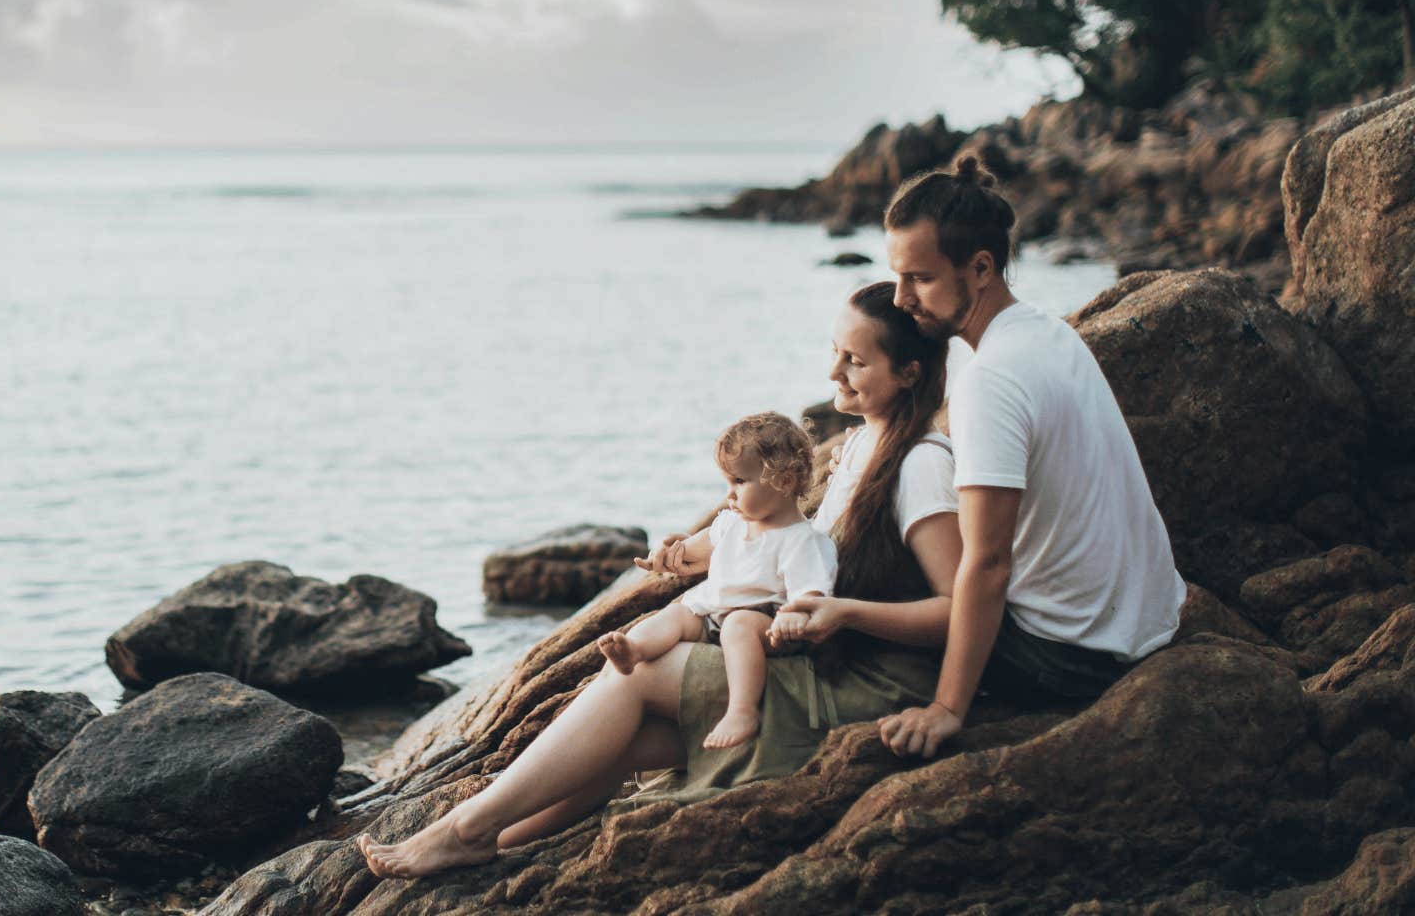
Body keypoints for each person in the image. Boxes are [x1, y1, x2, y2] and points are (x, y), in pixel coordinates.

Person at [358, 281, 961, 878]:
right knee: (636, 736)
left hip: (866, 683)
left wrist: (846, 614)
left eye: (855, 360)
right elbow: (796, 543)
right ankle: (502, 838)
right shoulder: (859, 444)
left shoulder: (922, 466)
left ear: (908, 372)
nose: (834, 371)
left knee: (637, 673)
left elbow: (959, 613)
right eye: (835, 350)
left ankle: (464, 829)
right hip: (818, 656)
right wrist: (706, 556)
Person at [873, 153, 1186, 761]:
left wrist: (947, 709)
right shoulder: (1045, 331)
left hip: (1073, 657)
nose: (900, 298)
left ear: (981, 267)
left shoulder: (989, 380)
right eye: (897, 276)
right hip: (1149, 625)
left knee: (886, 565)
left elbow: (988, 565)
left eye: (921, 278)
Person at [595, 411, 837, 751]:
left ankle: (742, 711)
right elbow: (692, 548)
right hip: (714, 617)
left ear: (783, 482)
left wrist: (795, 616)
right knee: (678, 613)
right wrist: (663, 556)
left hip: (766, 626)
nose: (730, 496)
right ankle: (635, 650)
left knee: (739, 624)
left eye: (739, 482)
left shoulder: (802, 540)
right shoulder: (732, 523)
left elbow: (811, 592)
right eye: (727, 483)